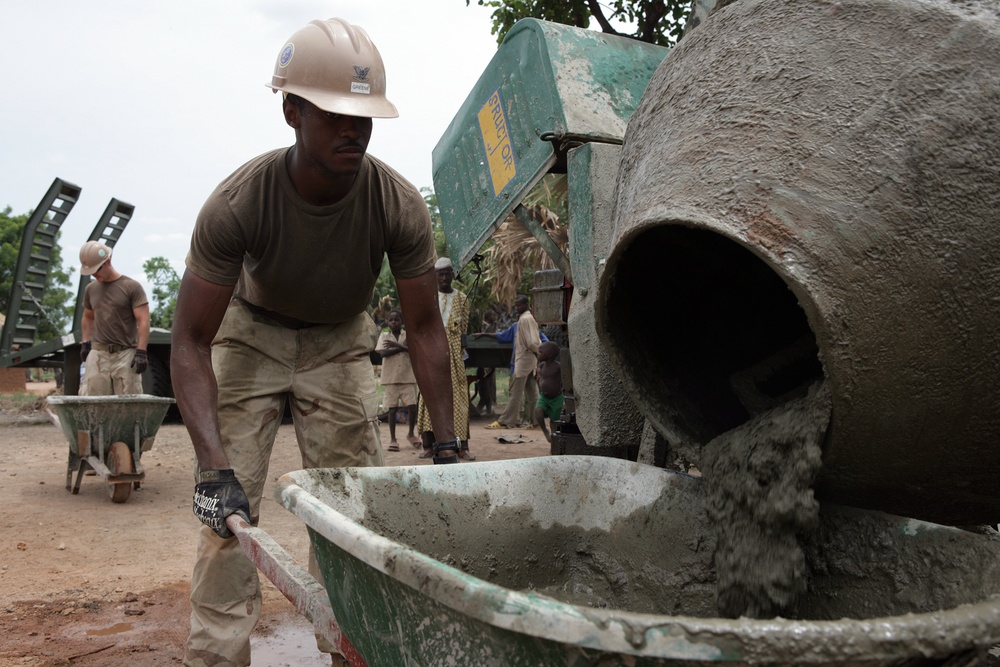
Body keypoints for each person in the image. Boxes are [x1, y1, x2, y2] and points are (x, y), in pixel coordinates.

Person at [169, 18, 460, 667]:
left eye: (365, 116)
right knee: (228, 519)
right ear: (292, 111)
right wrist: (214, 468)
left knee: (353, 518)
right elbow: (189, 341)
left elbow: (423, 328)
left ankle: (351, 649)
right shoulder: (239, 202)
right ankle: (217, 657)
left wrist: (447, 442)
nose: (353, 129)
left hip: (341, 340)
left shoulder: (398, 204)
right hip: (250, 335)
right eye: (334, 114)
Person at [415, 257, 475, 460]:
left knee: (459, 399)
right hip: (432, 355)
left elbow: (464, 331)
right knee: (428, 397)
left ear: (452, 274)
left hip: (455, 360)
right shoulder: (428, 298)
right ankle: (429, 445)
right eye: (439, 274)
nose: (443, 277)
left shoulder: (462, 299)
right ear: (435, 276)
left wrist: (462, 354)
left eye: (447, 273)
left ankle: (463, 447)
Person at [78, 241, 150, 396]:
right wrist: (85, 342)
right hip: (99, 353)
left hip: (125, 354)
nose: (94, 274)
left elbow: (143, 321)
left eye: (96, 270)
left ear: (108, 262)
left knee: (128, 402)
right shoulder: (91, 289)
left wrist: (141, 352)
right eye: (90, 272)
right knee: (93, 402)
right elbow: (88, 317)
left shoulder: (131, 287)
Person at [481, 294, 540, 429]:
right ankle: (537, 421)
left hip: (524, 360)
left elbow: (532, 342)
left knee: (516, 392)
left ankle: (506, 420)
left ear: (526, 305)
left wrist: (537, 351)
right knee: (532, 392)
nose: (517, 308)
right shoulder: (526, 319)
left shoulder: (525, 319)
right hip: (528, 360)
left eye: (519, 305)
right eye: (516, 305)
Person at [376, 308, 420, 451]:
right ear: (387, 322)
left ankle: (411, 433)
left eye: (397, 319)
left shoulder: (408, 335)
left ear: (402, 321)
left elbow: (414, 350)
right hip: (391, 378)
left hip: (408, 377)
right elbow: (383, 353)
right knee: (392, 409)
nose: (394, 322)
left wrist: (397, 345)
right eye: (391, 320)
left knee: (412, 406)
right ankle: (393, 439)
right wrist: (402, 347)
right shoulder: (384, 336)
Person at [533, 341, 564, 443]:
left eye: (540, 352)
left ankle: (554, 441)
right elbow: (541, 378)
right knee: (538, 412)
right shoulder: (542, 366)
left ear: (549, 355)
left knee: (555, 422)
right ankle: (545, 430)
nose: (538, 353)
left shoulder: (558, 367)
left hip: (557, 398)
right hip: (544, 397)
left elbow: (565, 380)